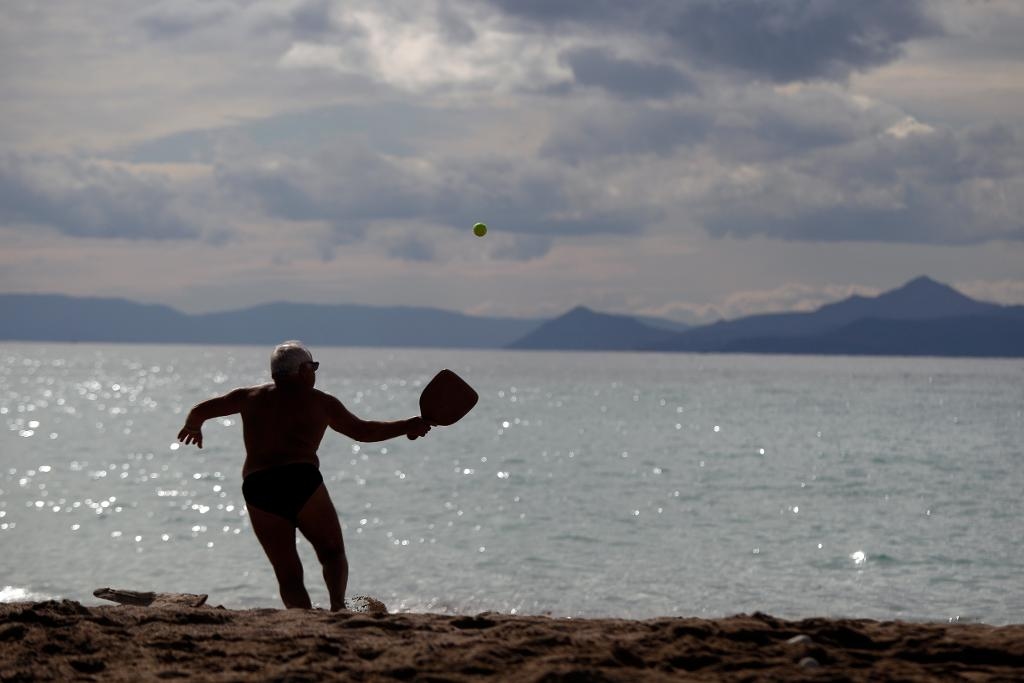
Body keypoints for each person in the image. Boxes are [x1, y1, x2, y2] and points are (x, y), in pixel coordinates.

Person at [176, 341, 431, 611]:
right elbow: (363, 432)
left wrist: (194, 426)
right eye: (314, 367)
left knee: (286, 570)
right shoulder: (321, 403)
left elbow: (199, 411)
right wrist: (407, 426)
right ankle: (337, 608)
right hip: (299, 479)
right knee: (332, 552)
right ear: (302, 370)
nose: (315, 373)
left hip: (258, 486)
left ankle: (301, 618)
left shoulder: (247, 397)